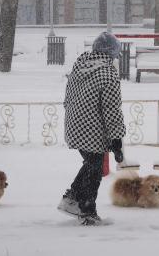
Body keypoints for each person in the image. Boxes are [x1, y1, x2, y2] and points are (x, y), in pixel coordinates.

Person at [58, 32, 126, 226]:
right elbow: (111, 109)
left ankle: (72, 200)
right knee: (94, 169)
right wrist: (117, 141)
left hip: (73, 123)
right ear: (112, 53)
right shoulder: (108, 73)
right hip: (93, 128)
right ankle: (86, 210)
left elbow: (68, 96)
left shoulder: (79, 66)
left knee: (91, 164)